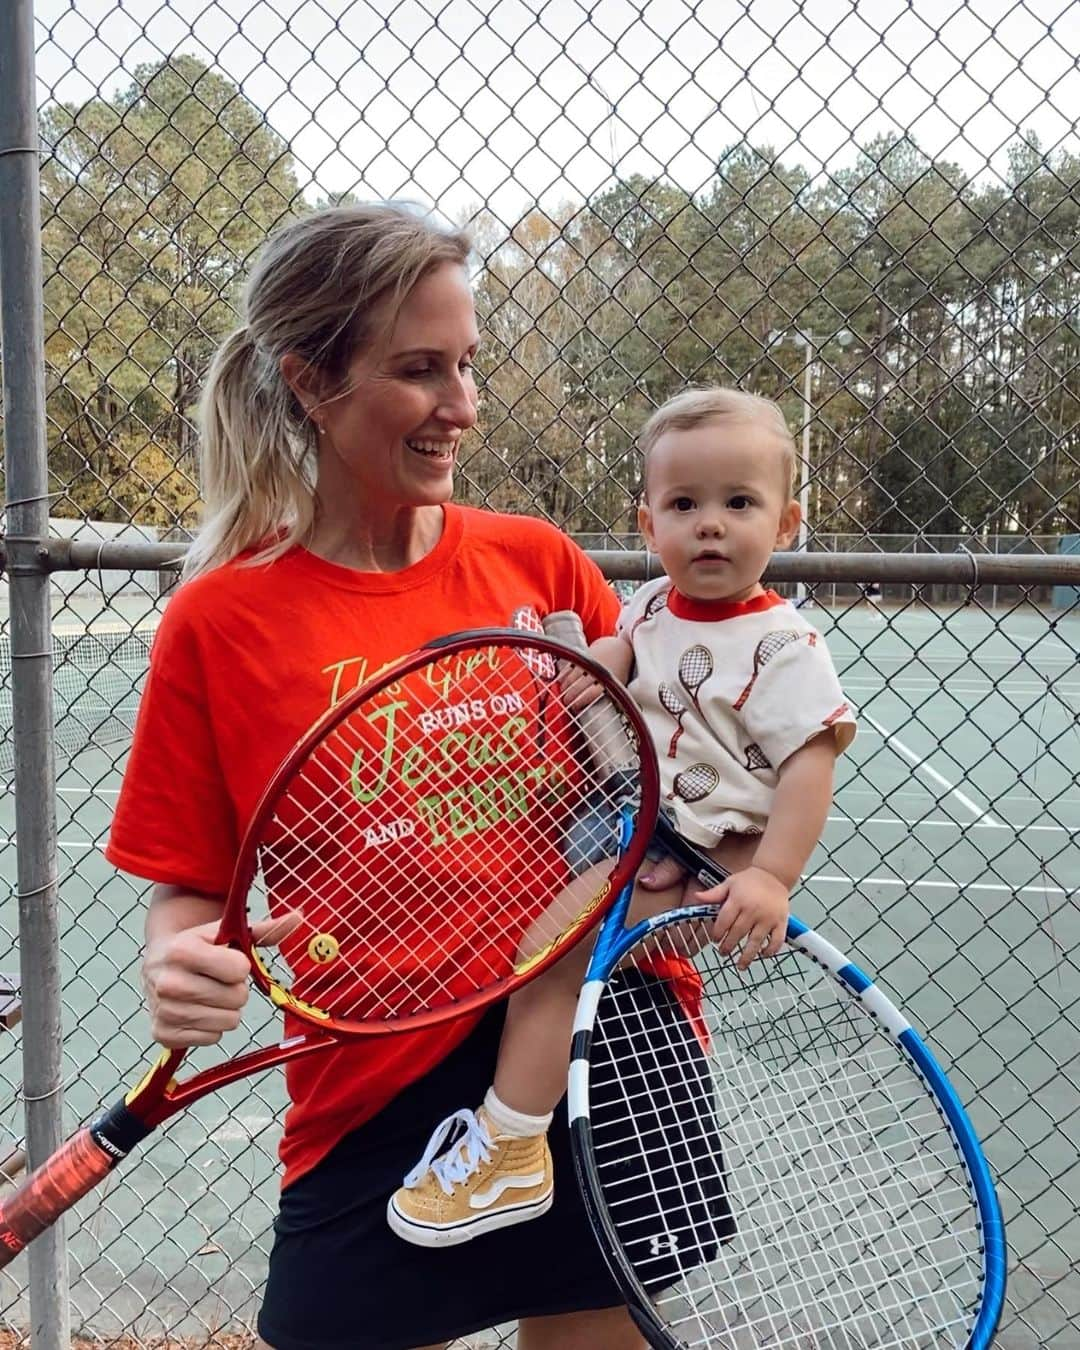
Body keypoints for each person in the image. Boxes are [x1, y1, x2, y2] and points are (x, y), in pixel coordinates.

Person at [105, 203, 669, 1350]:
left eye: (465, 364)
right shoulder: (220, 621)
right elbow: (186, 882)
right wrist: (178, 959)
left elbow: (645, 793)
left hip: (589, 1045)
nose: (461, 406)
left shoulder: (540, 565)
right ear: (312, 382)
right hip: (370, 1081)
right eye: (419, 371)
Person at [389, 386, 856, 1247]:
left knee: (548, 958)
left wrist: (768, 877)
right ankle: (516, 1138)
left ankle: (512, 1143)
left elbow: (809, 766)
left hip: (701, 864)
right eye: (685, 505)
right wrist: (585, 662)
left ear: (786, 523)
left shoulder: (782, 646)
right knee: (548, 954)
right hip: (629, 830)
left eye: (738, 504)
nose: (709, 525)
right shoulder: (647, 609)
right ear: (649, 526)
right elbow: (612, 657)